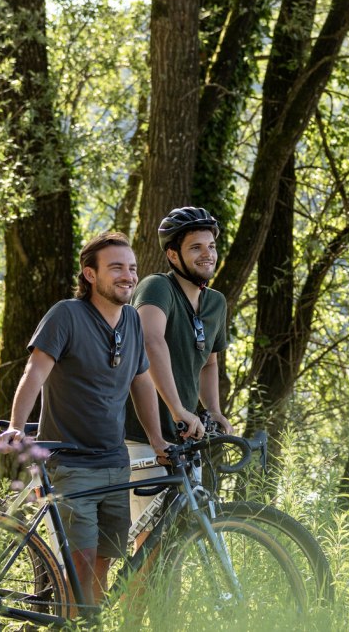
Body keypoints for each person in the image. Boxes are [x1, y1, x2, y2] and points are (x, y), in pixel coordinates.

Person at [0, 231, 169, 607]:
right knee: (82, 565)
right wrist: (14, 423)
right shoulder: (67, 315)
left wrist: (157, 439)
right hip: (70, 463)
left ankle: (83, 623)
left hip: (114, 461)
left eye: (133, 268)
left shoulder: (133, 322)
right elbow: (35, 371)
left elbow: (142, 383)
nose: (128, 276)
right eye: (117, 268)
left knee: (103, 565)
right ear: (91, 275)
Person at [125, 207, 234, 522]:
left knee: (184, 535)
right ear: (173, 256)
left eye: (211, 246)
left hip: (185, 440)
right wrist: (176, 409)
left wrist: (211, 409)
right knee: (150, 542)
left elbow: (209, 363)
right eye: (196, 248)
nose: (207, 254)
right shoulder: (158, 287)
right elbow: (150, 340)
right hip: (142, 435)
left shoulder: (216, 302)